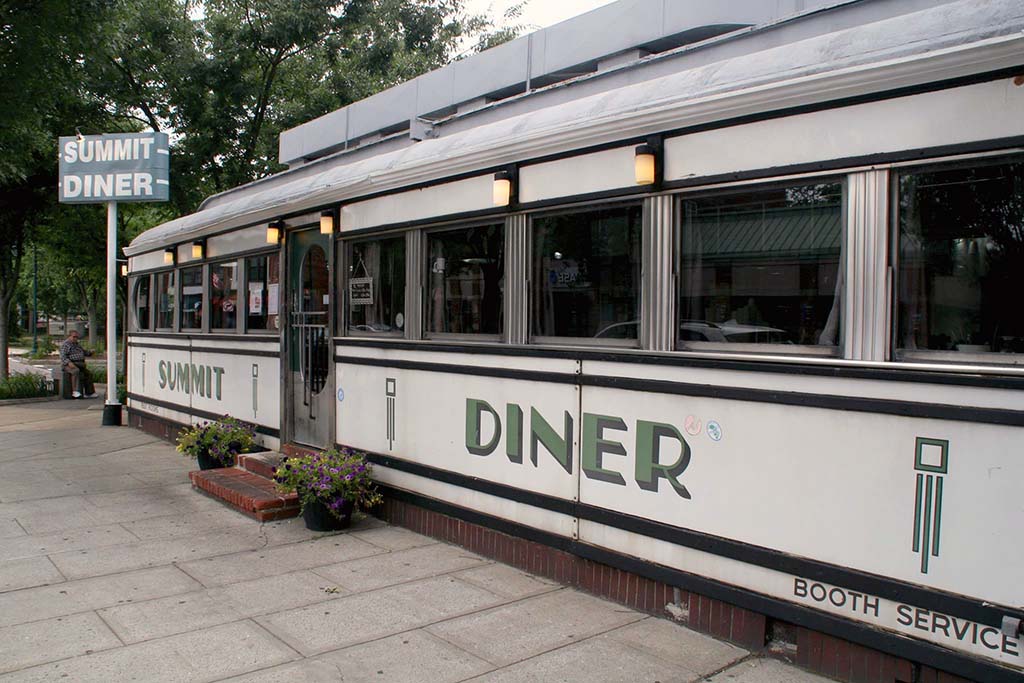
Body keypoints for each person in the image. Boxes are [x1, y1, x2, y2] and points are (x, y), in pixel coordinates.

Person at [59, 330, 96, 398]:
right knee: (75, 371)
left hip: (79, 363)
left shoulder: (77, 344)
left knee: (88, 374)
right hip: (69, 364)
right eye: (74, 337)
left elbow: (84, 352)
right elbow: (63, 356)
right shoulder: (66, 344)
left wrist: (90, 352)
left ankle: (89, 392)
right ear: (69, 337)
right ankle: (75, 391)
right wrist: (69, 362)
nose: (76, 338)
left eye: (77, 337)